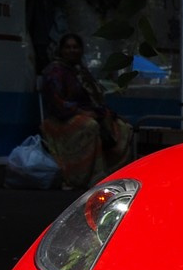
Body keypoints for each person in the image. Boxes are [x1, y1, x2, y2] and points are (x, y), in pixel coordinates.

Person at [40, 33, 133, 189]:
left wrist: (108, 114)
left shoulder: (81, 72)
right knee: (90, 125)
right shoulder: (54, 71)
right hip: (62, 118)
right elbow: (57, 102)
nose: (72, 51)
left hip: (87, 113)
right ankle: (86, 177)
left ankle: (114, 175)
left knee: (124, 128)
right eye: (68, 47)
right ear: (61, 50)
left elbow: (95, 99)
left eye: (75, 47)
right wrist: (81, 112)